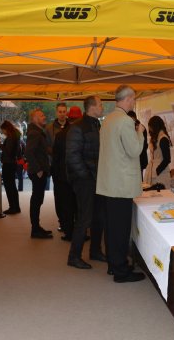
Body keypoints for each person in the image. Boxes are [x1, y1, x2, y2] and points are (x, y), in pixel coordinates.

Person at [97, 85, 146, 283]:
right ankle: (120, 270)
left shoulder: (108, 119)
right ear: (127, 99)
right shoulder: (125, 121)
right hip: (122, 184)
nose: (134, 102)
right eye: (133, 99)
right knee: (121, 229)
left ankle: (113, 264)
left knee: (112, 228)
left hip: (109, 182)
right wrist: (140, 133)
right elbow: (134, 151)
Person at [66, 96, 106, 269]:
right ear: (92, 107)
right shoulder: (77, 127)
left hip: (97, 178)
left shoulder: (96, 125)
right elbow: (72, 156)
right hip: (85, 180)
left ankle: (95, 251)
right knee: (84, 218)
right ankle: (74, 256)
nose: (102, 107)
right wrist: (86, 176)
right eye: (100, 105)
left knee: (99, 216)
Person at [51, 106, 83, 240]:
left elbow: (56, 157)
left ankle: (68, 232)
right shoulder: (83, 134)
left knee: (66, 205)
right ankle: (80, 233)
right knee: (79, 205)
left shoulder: (60, 134)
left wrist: (56, 175)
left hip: (63, 176)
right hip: (80, 175)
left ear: (69, 118)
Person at [25, 108, 53, 239]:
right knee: (36, 200)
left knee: (37, 200)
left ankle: (36, 227)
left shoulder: (37, 132)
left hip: (39, 170)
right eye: (41, 115)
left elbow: (41, 150)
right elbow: (29, 152)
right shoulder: (35, 133)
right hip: (38, 172)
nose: (44, 117)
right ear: (35, 119)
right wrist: (38, 169)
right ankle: (35, 229)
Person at [45, 102, 69, 232]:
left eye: (64, 111)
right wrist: (57, 152)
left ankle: (71, 220)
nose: (62, 114)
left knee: (70, 195)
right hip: (56, 166)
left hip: (70, 166)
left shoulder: (72, 127)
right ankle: (62, 220)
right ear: (56, 112)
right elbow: (46, 146)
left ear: (67, 112)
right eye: (60, 111)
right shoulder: (49, 128)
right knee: (59, 195)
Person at [0, 120, 21, 215]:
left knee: (9, 186)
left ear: (6, 129)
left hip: (8, 164)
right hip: (12, 163)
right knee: (12, 186)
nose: (3, 132)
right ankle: (16, 207)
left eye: (3, 130)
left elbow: (8, 151)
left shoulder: (11, 137)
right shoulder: (15, 136)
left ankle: (12, 207)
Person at [144, 115, 172, 189]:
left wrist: (157, 170)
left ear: (155, 126)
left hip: (161, 174)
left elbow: (167, 159)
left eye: (150, 127)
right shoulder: (157, 138)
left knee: (161, 194)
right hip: (155, 172)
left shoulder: (163, 139)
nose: (150, 130)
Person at [127, 110, 148, 178]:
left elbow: (144, 145)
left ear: (135, 118)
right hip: (131, 159)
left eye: (132, 120)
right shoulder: (128, 127)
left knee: (139, 178)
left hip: (140, 158)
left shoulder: (141, 127)